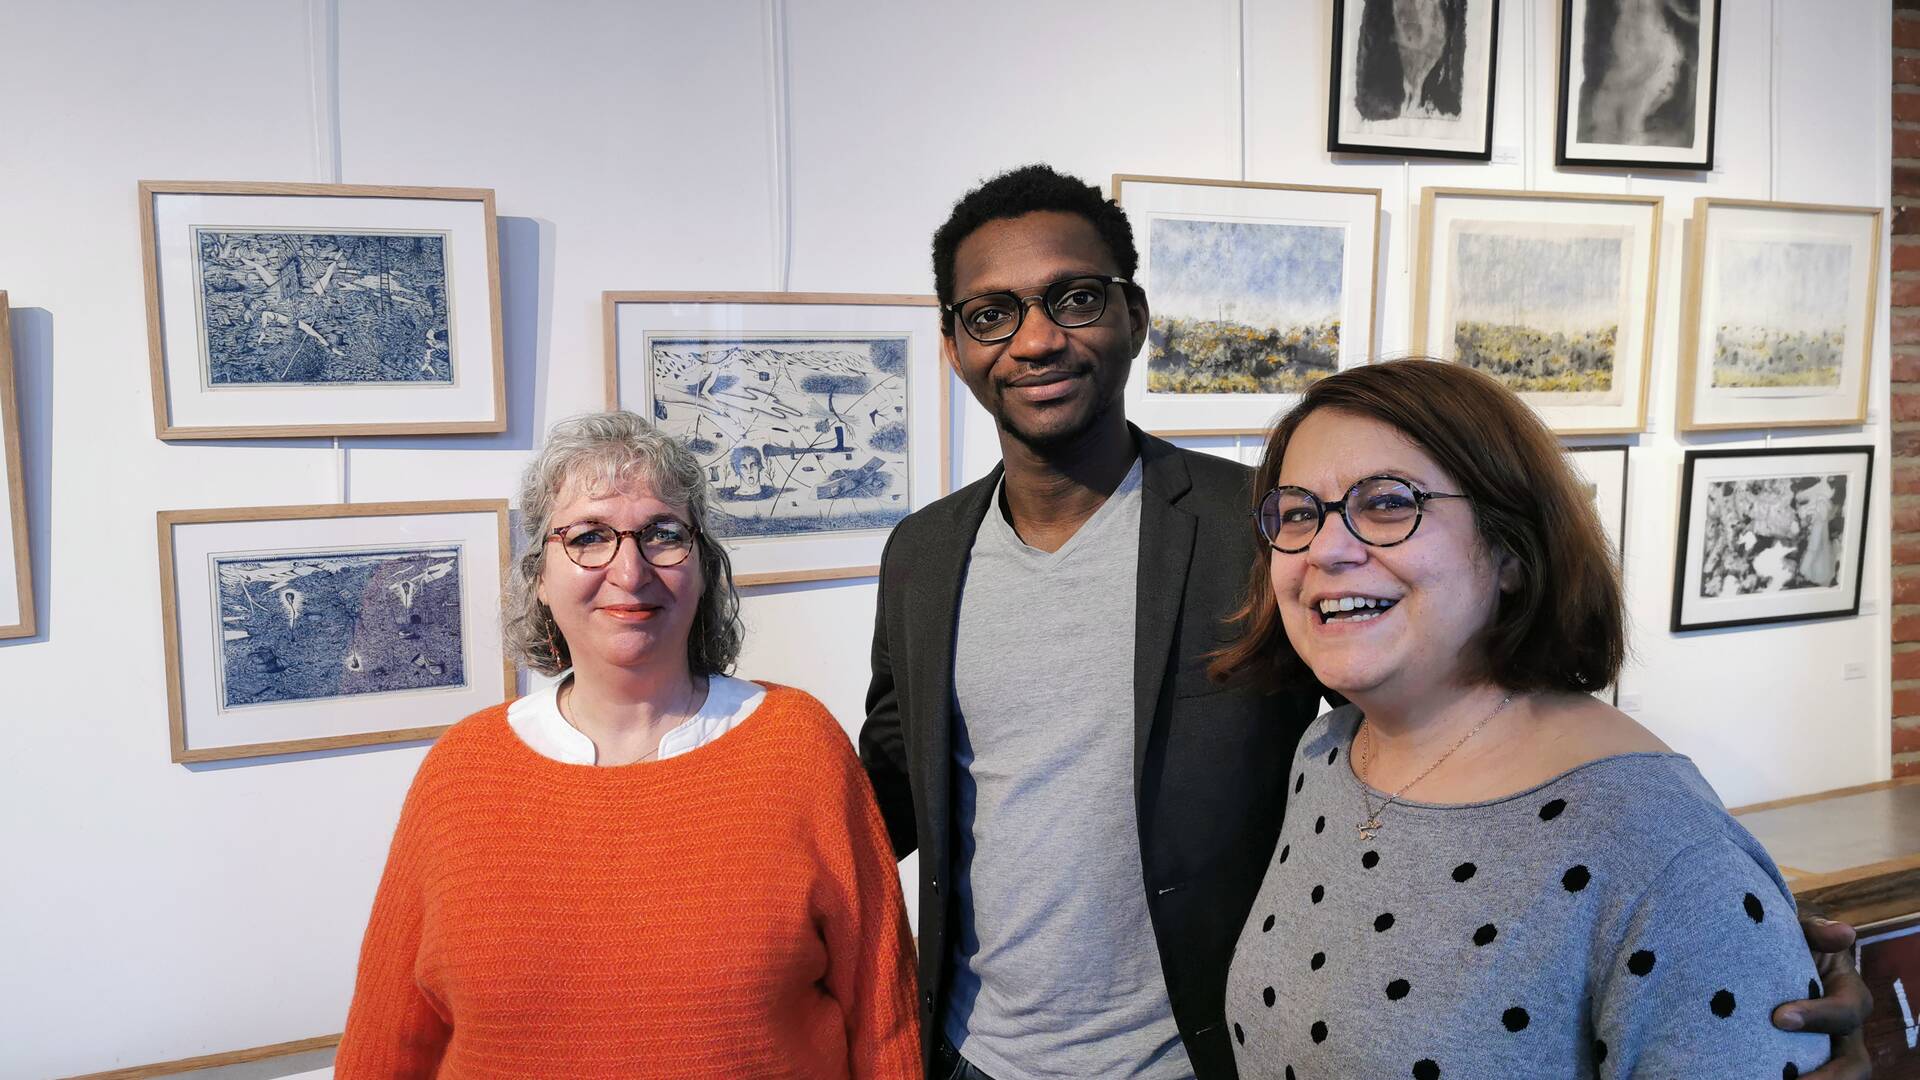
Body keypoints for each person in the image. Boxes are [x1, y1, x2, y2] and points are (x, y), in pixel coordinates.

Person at [860, 165, 1873, 1080]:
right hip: (974, 1054)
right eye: (991, 314)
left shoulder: (1262, 524)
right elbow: (893, 784)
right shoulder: (922, 554)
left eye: (1074, 298)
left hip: (1204, 1054)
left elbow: (1490, 722)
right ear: (951, 343)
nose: (1036, 337)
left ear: (1133, 314)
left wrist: (1742, 955)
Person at [1213, 359, 1855, 1078]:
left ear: (1510, 549)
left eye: (1388, 503)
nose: (1327, 548)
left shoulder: (1659, 846)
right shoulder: (1329, 754)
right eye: (1298, 512)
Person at [338, 411, 918, 1078]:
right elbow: (387, 1044)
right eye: (589, 537)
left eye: (663, 535)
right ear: (539, 577)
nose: (629, 569)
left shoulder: (799, 747)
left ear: (702, 569)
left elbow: (884, 1019)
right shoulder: (461, 774)